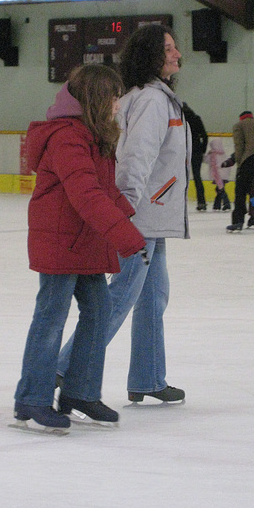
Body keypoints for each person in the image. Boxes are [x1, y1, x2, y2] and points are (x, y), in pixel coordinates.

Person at [57, 23, 191, 404]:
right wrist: (126, 211)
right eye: (169, 49)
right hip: (141, 217)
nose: (177, 54)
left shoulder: (154, 97)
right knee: (120, 298)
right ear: (152, 55)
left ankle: (148, 377)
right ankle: (64, 368)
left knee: (152, 298)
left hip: (153, 216)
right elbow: (134, 159)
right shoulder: (151, 100)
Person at [13, 65, 146, 431]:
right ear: (97, 100)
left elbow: (103, 189)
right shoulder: (67, 137)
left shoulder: (93, 135)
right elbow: (85, 194)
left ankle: (79, 392)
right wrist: (126, 237)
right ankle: (32, 398)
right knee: (51, 316)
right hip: (61, 240)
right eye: (114, 97)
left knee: (99, 311)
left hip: (84, 241)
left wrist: (128, 215)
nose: (118, 105)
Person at [222, 152, 254, 228]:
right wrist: (226, 163)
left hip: (253, 179)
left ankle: (252, 218)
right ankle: (239, 219)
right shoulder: (243, 148)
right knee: (241, 198)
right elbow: (234, 157)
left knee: (253, 199)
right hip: (243, 177)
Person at [182, 102, 208, 211]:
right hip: (196, 150)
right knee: (197, 176)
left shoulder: (180, 119)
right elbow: (204, 135)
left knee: (180, 178)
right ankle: (201, 202)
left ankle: (180, 202)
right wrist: (202, 150)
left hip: (183, 150)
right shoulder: (196, 118)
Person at [204, 138, 231, 211]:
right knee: (219, 189)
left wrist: (206, 154)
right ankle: (216, 205)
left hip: (218, 176)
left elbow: (205, 160)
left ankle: (227, 204)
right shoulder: (223, 154)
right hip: (224, 176)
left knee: (220, 189)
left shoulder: (212, 155)